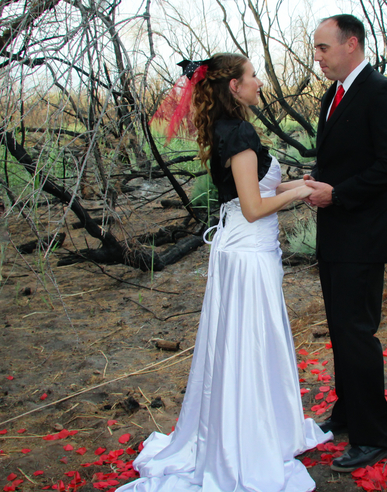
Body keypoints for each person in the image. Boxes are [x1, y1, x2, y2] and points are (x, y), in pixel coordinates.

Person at [118, 53, 331, 492]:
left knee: (247, 340)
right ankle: (245, 442)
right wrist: (298, 197)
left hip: (242, 246)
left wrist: (302, 185)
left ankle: (253, 429)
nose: (258, 82)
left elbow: (253, 191)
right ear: (234, 86)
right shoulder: (240, 132)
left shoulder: (227, 130)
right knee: (249, 340)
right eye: (252, 75)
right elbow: (255, 208)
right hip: (248, 250)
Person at [304, 15, 387, 472]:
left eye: (324, 48)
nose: (317, 56)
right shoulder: (334, 94)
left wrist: (339, 193)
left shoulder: (381, 92)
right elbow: (348, 157)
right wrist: (321, 183)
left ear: (351, 44)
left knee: (357, 335)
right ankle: (349, 414)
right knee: (341, 335)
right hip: (337, 234)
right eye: (316, 48)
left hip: (363, 237)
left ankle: (375, 437)